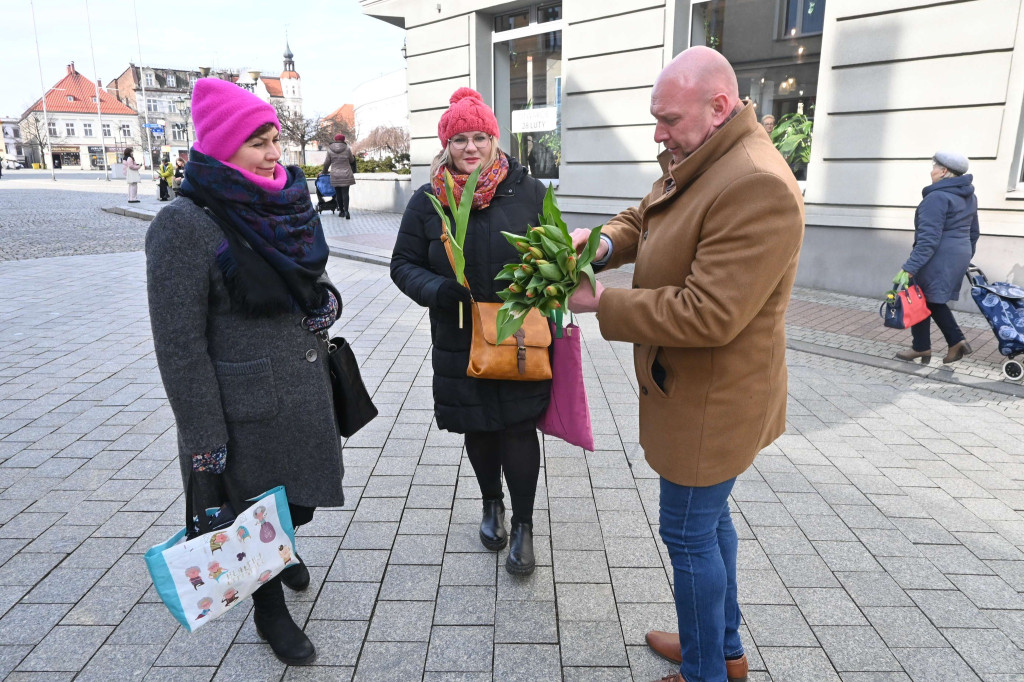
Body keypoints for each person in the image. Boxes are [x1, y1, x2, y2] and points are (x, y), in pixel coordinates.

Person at [568, 46, 804, 682]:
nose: (658, 133)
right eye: (657, 118)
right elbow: (647, 215)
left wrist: (602, 303)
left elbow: (709, 313)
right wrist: (601, 244)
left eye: (667, 119)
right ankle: (720, 649)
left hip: (715, 402)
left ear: (718, 107)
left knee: (688, 533)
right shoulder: (702, 154)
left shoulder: (754, 182)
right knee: (709, 523)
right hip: (698, 392)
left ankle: (705, 671)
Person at [145, 77, 345, 666]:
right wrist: (204, 439)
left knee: (298, 504)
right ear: (222, 148)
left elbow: (312, 278)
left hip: (303, 390)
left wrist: (325, 303)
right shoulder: (183, 225)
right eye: (258, 142)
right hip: (242, 406)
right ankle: (269, 614)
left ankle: (282, 548)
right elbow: (178, 345)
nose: (274, 153)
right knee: (251, 514)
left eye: (276, 139)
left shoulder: (285, 203)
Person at [390, 88, 550, 576]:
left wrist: (551, 279)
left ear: (495, 139)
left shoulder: (529, 191)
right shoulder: (429, 200)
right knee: (479, 426)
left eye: (481, 136)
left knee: (520, 428)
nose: (471, 147)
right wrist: (440, 291)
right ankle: (491, 504)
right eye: (460, 138)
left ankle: (523, 524)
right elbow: (402, 265)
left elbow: (553, 251)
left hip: (519, 333)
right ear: (446, 145)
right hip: (458, 335)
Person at [893, 151, 979, 365]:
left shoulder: (937, 198)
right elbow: (974, 232)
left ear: (944, 172)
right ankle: (922, 346)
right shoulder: (969, 196)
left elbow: (929, 239)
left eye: (934, 167)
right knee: (927, 298)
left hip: (937, 256)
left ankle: (954, 340)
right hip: (957, 254)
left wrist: (909, 267)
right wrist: (964, 255)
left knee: (925, 298)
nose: (931, 171)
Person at [323, 133, 355, 219]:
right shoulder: (347, 149)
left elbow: (327, 163)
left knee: (338, 193)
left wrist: (324, 171)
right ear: (343, 140)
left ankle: (341, 211)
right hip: (346, 174)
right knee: (345, 193)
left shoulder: (330, 149)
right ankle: (347, 211)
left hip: (335, 174)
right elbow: (352, 160)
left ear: (335, 139)